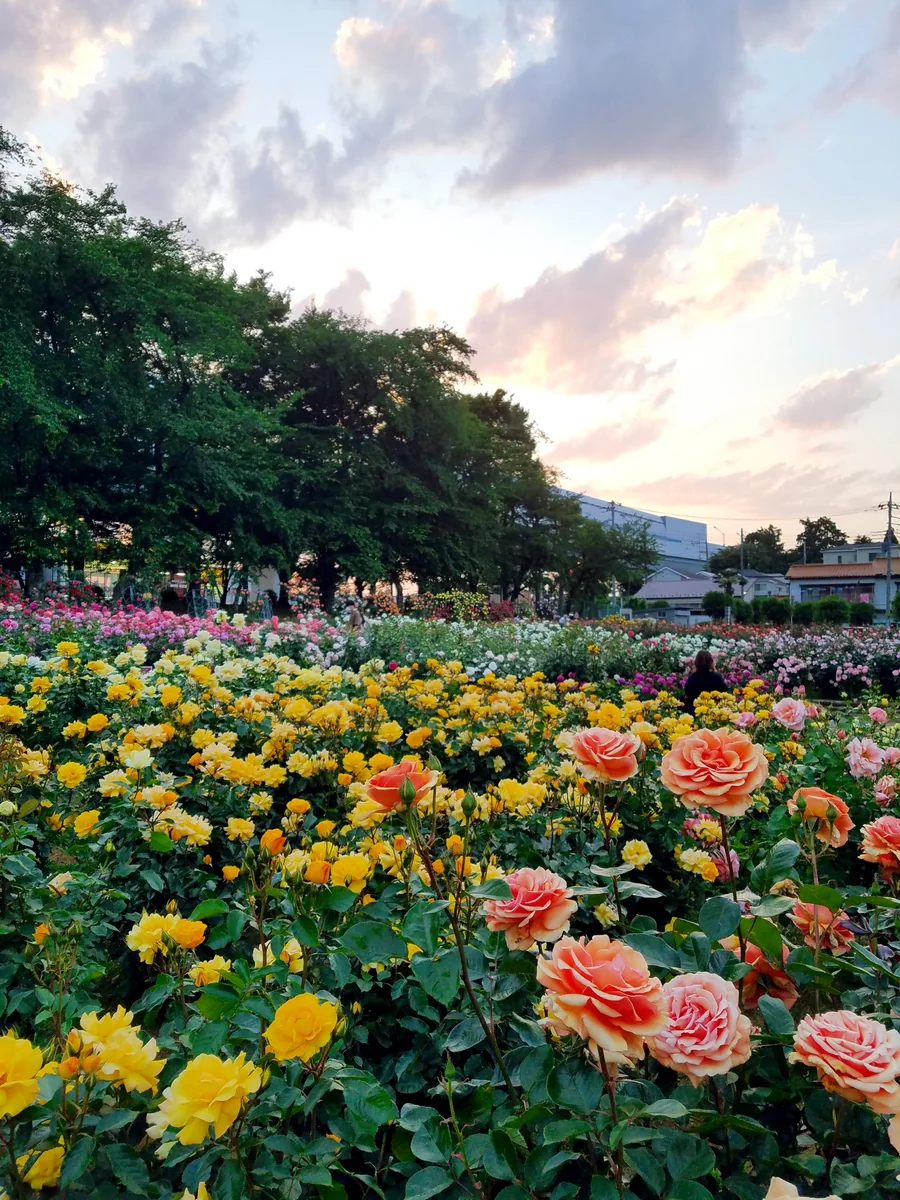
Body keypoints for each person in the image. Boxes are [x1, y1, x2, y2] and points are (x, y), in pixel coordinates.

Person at [683, 649, 727, 715]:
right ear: (711, 662)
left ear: (696, 663)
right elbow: (724, 691)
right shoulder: (717, 677)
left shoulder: (692, 677)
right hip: (714, 710)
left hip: (695, 711)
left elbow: (687, 692)